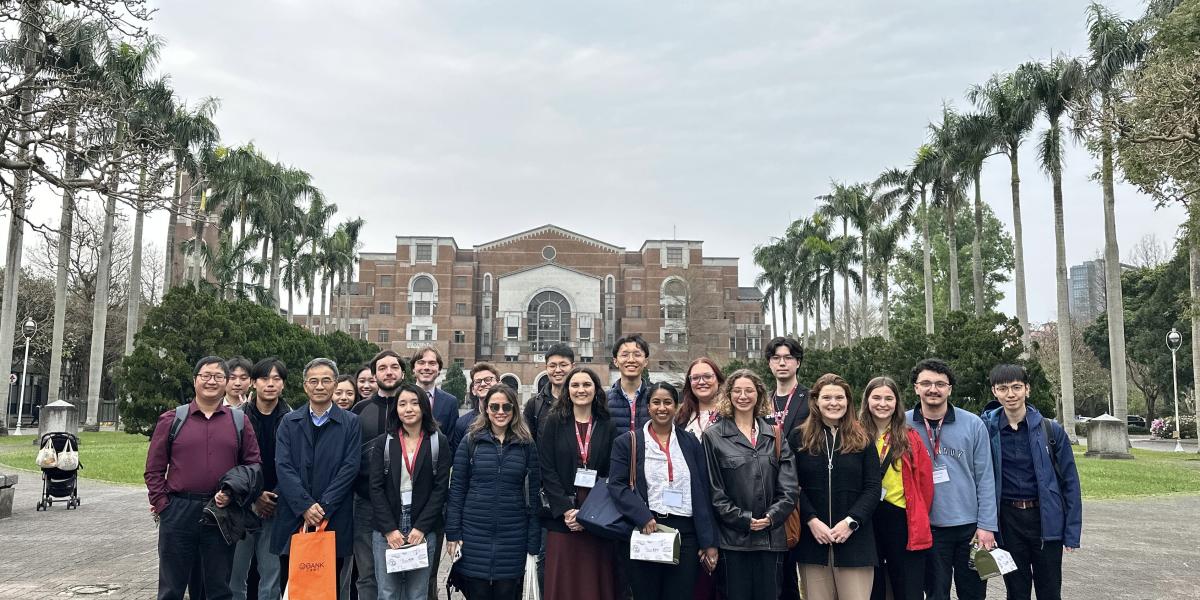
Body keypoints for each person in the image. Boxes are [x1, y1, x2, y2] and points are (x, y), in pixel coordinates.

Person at [144, 356, 263, 600]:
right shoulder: (172, 420)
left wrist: (232, 492)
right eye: (205, 376)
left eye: (218, 376)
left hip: (221, 512)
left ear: (226, 382)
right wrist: (162, 505)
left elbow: (253, 465)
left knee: (218, 588)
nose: (211, 381)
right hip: (178, 510)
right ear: (195, 380)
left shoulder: (239, 421)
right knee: (171, 588)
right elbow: (154, 469)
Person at [610, 382, 720, 600]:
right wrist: (641, 515)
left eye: (668, 402)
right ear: (648, 407)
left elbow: (702, 491)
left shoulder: (690, 442)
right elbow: (617, 485)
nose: (662, 408)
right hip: (647, 529)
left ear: (676, 406)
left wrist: (709, 542)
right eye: (656, 402)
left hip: (685, 534)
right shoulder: (628, 443)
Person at [981, 364, 1081, 600]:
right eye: (1003, 388)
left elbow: (1070, 482)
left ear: (1027, 389)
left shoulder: (1050, 430)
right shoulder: (986, 430)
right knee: (1016, 591)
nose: (1010, 394)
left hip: (1046, 521)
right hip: (1008, 523)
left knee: (1049, 590)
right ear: (995, 392)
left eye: (1016, 387)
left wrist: (1072, 531)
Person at [703, 369, 798, 600]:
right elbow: (713, 490)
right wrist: (743, 519)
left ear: (759, 394)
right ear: (728, 395)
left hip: (770, 539)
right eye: (737, 391)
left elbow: (790, 486)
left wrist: (772, 516)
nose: (743, 396)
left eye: (749, 390)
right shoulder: (713, 436)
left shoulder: (775, 435)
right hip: (732, 542)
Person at [906, 358, 997, 600]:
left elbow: (985, 477)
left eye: (940, 383)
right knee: (936, 593)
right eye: (925, 383)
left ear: (950, 389)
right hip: (929, 528)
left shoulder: (973, 424)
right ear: (916, 387)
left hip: (970, 529)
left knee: (974, 593)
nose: (932, 389)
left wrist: (987, 526)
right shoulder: (902, 425)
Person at [273, 358, 362, 596]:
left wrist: (322, 507)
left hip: (332, 518)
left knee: (327, 587)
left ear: (334, 384)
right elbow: (283, 466)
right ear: (305, 386)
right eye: (313, 381)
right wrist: (304, 505)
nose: (319, 386)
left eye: (326, 380)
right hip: (294, 516)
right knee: (292, 586)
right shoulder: (288, 422)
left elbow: (350, 467)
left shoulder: (351, 423)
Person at [789, 373, 881, 600]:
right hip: (813, 543)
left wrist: (851, 522)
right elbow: (792, 485)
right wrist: (811, 520)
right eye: (827, 397)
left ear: (848, 401)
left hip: (855, 543)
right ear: (816, 401)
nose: (833, 403)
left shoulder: (864, 438)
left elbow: (872, 488)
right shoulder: (799, 437)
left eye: (839, 397)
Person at [445, 384, 541, 600]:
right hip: (474, 535)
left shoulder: (527, 445)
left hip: (513, 537)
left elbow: (534, 496)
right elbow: (457, 489)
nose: (500, 412)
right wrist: (453, 533)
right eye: (494, 406)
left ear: (514, 410)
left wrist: (533, 542)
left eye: (506, 407)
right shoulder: (471, 441)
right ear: (486, 409)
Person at [539, 367, 617, 600]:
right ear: (567, 390)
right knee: (564, 582)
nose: (581, 390)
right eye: (575, 385)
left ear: (596, 389)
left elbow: (611, 473)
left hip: (596, 515)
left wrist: (588, 514)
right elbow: (547, 468)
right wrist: (566, 510)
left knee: (593, 582)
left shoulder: (607, 425)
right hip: (563, 516)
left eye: (587, 385)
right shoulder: (554, 422)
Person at [368, 383, 452, 600]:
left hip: (422, 527)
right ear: (396, 409)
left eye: (415, 403)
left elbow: (440, 489)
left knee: (417, 593)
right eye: (402, 404)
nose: (409, 409)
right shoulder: (384, 442)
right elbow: (375, 488)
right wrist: (389, 529)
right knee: (387, 592)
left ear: (424, 407)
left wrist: (421, 527)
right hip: (389, 525)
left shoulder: (437, 442)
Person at [858, 377, 933, 600]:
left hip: (902, 518)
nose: (883, 403)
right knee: (873, 586)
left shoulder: (909, 437)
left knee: (907, 586)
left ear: (897, 402)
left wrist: (918, 514)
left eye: (889, 398)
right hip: (866, 518)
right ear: (867, 401)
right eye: (877, 397)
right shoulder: (855, 435)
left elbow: (925, 484)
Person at [230, 358, 292, 600]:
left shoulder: (293, 419)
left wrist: (273, 497)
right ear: (254, 383)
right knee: (236, 578)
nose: (270, 384)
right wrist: (254, 497)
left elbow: (295, 466)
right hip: (242, 506)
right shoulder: (235, 418)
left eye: (277, 379)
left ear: (283, 385)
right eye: (265, 378)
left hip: (276, 507)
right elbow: (230, 463)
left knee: (271, 577)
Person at [351, 350, 409, 600]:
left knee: (405, 573)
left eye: (394, 367)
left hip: (404, 505)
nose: (389, 372)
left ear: (402, 373)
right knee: (367, 574)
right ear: (374, 375)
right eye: (382, 368)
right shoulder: (360, 409)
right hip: (365, 504)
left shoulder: (412, 406)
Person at [763, 337, 809, 600]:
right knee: (777, 570)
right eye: (776, 358)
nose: (782, 363)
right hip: (770, 493)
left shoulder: (810, 399)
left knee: (798, 569)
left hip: (802, 490)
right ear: (770, 364)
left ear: (797, 363)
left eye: (788, 357)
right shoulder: (762, 402)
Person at [524, 343, 575, 441]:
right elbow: (529, 443)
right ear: (546, 368)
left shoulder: (583, 402)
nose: (558, 370)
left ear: (573, 366)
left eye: (563, 365)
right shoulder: (534, 405)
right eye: (552, 366)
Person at [449, 363, 500, 456]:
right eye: (478, 381)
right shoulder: (462, 424)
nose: (483, 384)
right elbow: (458, 460)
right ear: (473, 390)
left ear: (499, 384)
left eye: (488, 379)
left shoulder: (513, 419)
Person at [410, 345, 462, 433]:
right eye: (421, 362)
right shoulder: (400, 399)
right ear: (413, 368)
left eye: (432, 363)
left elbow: (451, 440)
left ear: (439, 369)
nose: (426, 367)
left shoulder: (450, 402)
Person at [607, 334, 651, 437]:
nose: (631, 360)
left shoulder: (655, 398)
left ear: (646, 361)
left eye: (637, 355)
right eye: (624, 355)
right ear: (615, 361)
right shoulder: (604, 400)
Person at [677, 357, 726, 440]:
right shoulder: (681, 416)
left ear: (718, 380)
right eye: (695, 378)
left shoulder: (731, 414)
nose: (702, 382)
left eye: (707, 376)